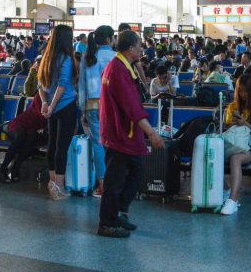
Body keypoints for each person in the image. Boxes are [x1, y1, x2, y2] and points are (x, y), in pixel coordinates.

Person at [97, 30, 165, 238]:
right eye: (139, 46)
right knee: (114, 180)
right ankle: (107, 223)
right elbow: (132, 107)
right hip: (119, 134)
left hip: (122, 132)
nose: (141, 49)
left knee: (137, 170)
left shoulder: (123, 67)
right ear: (130, 49)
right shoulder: (117, 70)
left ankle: (119, 211)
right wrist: (152, 133)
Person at [219, 73, 251, 216]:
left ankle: (233, 200)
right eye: (240, 91)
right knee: (213, 152)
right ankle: (223, 190)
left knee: (236, 158)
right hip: (233, 143)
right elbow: (227, 130)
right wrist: (233, 125)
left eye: (246, 91)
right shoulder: (232, 107)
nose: (243, 94)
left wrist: (245, 124)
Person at [38, 25, 78, 199]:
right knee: (62, 147)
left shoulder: (46, 57)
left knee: (52, 145)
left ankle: (52, 182)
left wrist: (45, 103)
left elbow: (41, 84)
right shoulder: (66, 58)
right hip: (66, 106)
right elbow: (62, 85)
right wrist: (52, 106)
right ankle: (59, 187)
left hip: (51, 108)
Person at [78, 25, 116, 197]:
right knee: (114, 143)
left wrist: (82, 110)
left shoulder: (88, 57)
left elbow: (82, 86)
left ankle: (103, 185)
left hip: (92, 105)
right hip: (112, 106)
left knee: (98, 144)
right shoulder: (116, 57)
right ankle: (116, 182)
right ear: (109, 39)